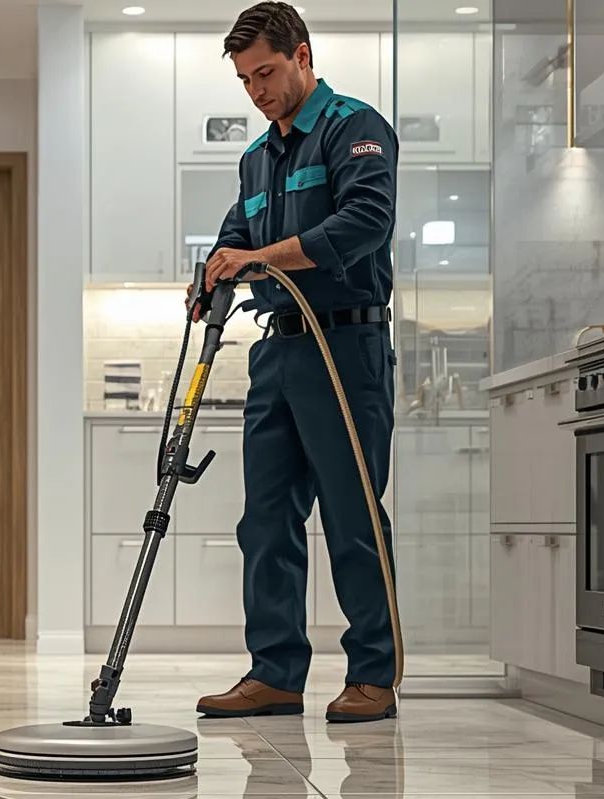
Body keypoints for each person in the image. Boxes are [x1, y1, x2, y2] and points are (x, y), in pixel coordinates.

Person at [192, 2, 399, 724]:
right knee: (266, 519)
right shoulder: (257, 157)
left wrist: (259, 258)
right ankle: (275, 672)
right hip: (277, 350)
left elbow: (365, 221)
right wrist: (210, 276)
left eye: (267, 73)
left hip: (344, 347)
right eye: (246, 80)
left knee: (351, 514)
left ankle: (373, 672)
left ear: (302, 56)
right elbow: (234, 238)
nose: (257, 91)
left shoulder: (353, 127)